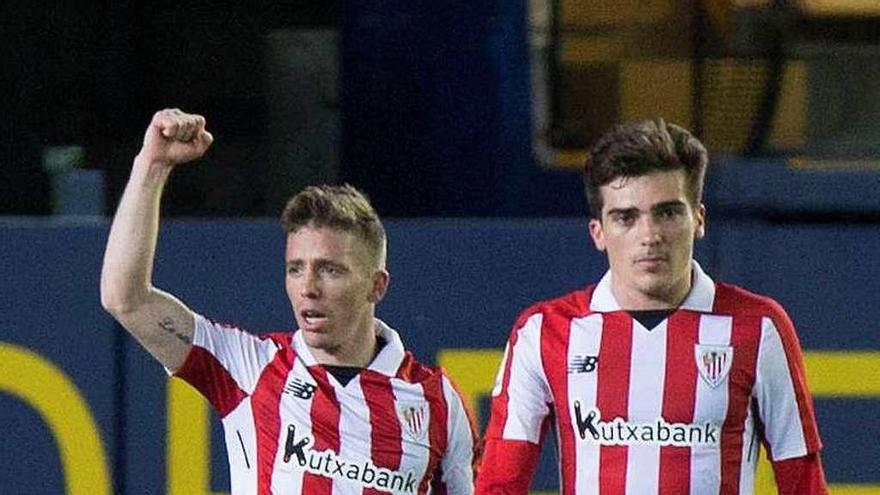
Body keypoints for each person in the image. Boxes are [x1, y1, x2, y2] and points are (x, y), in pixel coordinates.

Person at [101, 108, 479, 494]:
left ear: (376, 286)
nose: (308, 287)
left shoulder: (439, 403)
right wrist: (152, 164)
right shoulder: (250, 367)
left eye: (330, 270)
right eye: (295, 268)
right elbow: (125, 299)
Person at [475, 119, 827, 494]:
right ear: (598, 233)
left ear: (699, 219)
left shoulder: (757, 327)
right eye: (626, 218)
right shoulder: (544, 331)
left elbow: (801, 480)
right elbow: (500, 481)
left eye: (668, 213)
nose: (649, 236)